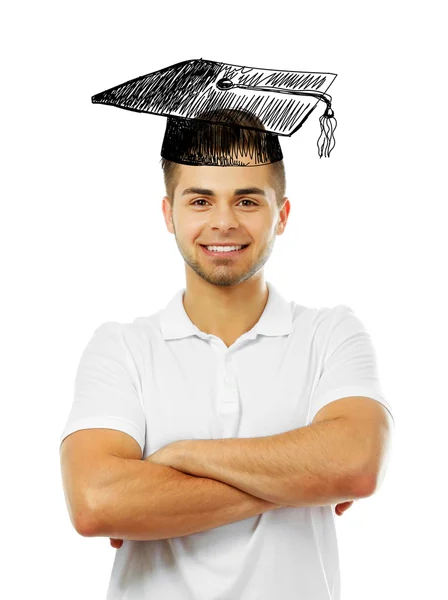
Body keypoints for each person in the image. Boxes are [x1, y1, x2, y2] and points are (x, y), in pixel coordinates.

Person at [59, 60, 394, 600]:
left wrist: (175, 457)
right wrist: (301, 478)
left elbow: (355, 462)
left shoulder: (331, 335)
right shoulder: (121, 348)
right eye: (200, 200)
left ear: (281, 214)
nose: (223, 222)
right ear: (168, 213)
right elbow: (97, 503)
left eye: (246, 199)